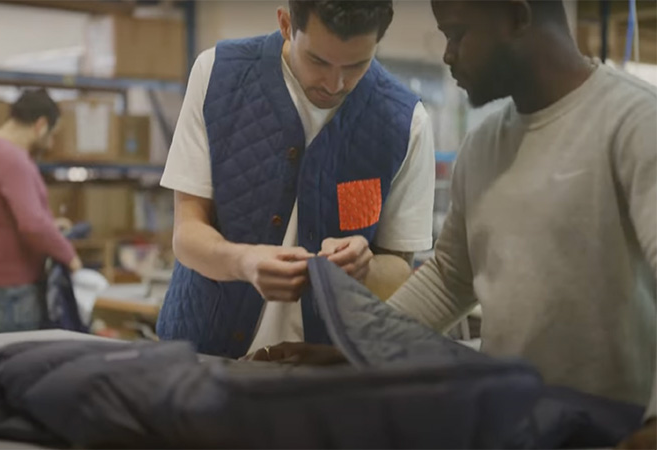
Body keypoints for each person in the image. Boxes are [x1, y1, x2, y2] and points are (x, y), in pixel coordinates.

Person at [252, 0, 657, 446]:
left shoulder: (633, 124)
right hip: (518, 426)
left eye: (457, 34)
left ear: (518, 17)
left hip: (615, 428)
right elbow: (448, 278)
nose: (447, 54)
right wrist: (356, 351)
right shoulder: (484, 145)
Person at [156, 0, 436, 358]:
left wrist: (366, 269)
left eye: (356, 65)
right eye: (319, 61)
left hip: (323, 374)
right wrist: (244, 262)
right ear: (286, 24)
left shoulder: (406, 121)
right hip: (201, 356)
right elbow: (187, 234)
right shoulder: (218, 74)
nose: (335, 84)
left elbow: (399, 269)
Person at [0, 89, 82, 333]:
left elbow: (1, 215)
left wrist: (50, 226)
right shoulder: (11, 158)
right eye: (52, 135)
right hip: (10, 290)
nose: (51, 144)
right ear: (41, 125)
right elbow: (32, 224)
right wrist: (71, 258)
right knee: (21, 368)